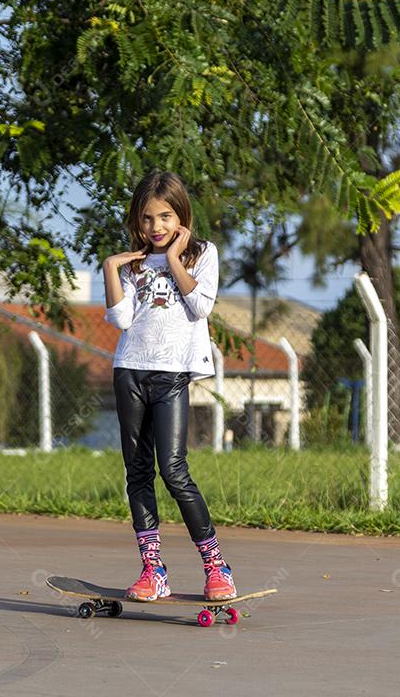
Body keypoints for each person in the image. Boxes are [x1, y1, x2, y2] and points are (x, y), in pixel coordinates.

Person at [102, 170, 236, 602]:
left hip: (172, 374)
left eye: (165, 217)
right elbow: (122, 320)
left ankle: (217, 567)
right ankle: (153, 570)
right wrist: (110, 267)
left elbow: (200, 306)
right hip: (130, 370)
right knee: (137, 473)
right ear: (136, 221)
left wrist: (176, 259)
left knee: (174, 471)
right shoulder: (134, 263)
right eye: (146, 219)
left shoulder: (203, 253)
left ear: (181, 216)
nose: (156, 227)